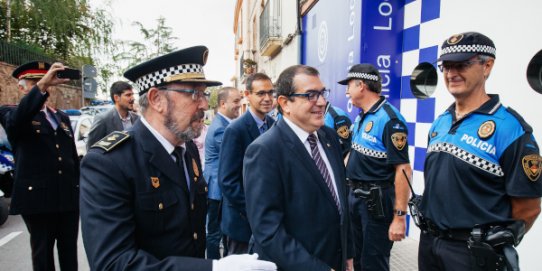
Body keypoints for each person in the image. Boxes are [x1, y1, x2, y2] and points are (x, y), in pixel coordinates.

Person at [80, 46, 276, 271]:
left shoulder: (187, 149)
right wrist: (211, 269)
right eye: (194, 93)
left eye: (203, 94)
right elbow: (113, 264)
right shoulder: (109, 163)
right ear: (156, 99)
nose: (204, 104)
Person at [418, 31, 542, 271]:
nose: (451, 73)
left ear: (487, 66)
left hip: (472, 255)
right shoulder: (441, 121)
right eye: (446, 66)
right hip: (430, 245)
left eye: (462, 64)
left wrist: (496, 243)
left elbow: (528, 207)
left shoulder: (511, 128)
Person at [244, 65, 353, 271]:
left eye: (322, 93)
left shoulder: (329, 136)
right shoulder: (264, 151)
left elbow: (340, 205)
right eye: (311, 95)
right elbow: (268, 231)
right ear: (285, 103)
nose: (322, 102)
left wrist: (348, 255)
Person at [4, 61, 80, 271]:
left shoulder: (61, 117)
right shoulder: (12, 113)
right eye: (34, 82)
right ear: (22, 88)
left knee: (69, 254)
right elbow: (18, 119)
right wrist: (43, 85)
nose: (43, 86)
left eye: (44, 81)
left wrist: (79, 189)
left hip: (66, 197)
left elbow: (71, 158)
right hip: (37, 200)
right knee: (43, 256)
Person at [339, 63, 412, 271]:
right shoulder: (362, 115)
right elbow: (352, 154)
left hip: (376, 202)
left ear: (361, 85)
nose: (346, 91)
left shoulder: (390, 120)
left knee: (374, 263)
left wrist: (400, 217)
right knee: (358, 260)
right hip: (355, 197)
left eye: (349, 85)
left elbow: (403, 169)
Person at [219, 73, 275, 255]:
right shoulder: (235, 130)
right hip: (242, 223)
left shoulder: (274, 125)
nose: (267, 98)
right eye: (260, 93)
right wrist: (256, 209)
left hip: (269, 224)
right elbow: (227, 181)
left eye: (270, 93)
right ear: (247, 95)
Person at [204, 87, 242, 259]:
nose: (239, 105)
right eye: (235, 101)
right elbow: (237, 155)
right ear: (222, 103)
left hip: (219, 187)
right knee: (214, 233)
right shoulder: (221, 127)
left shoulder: (226, 124)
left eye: (240, 100)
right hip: (216, 189)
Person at [86, 81, 139, 148]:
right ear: (116, 98)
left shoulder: (136, 118)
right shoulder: (103, 119)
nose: (133, 98)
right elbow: (91, 149)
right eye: (128, 95)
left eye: (132, 94)